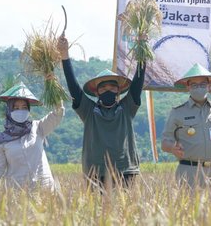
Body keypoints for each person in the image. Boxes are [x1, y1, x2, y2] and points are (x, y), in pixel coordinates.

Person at [57, 36, 145, 188]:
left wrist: (142, 49)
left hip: (125, 171)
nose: (108, 90)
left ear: (119, 91)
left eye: (112, 87)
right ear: (96, 93)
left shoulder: (127, 108)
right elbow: (73, 87)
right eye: (103, 88)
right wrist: (64, 56)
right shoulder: (89, 111)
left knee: (125, 211)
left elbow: (137, 83)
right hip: (95, 173)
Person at [0, 82, 64, 191]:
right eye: (16, 108)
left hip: (46, 191)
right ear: (9, 110)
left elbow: (57, 113)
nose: (20, 111)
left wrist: (53, 84)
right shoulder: (1, 140)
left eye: (24, 107)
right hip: (17, 195)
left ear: (29, 109)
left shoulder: (38, 127)